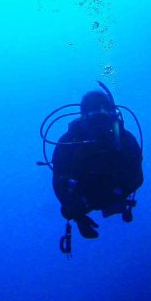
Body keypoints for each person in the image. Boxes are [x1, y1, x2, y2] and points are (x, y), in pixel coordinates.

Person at [51, 86, 143, 239]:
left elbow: (136, 177)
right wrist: (77, 215)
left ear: (112, 115)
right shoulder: (68, 143)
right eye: (94, 118)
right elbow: (59, 182)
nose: (99, 125)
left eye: (103, 117)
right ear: (83, 117)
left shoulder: (124, 139)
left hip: (113, 192)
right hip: (85, 197)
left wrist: (111, 194)